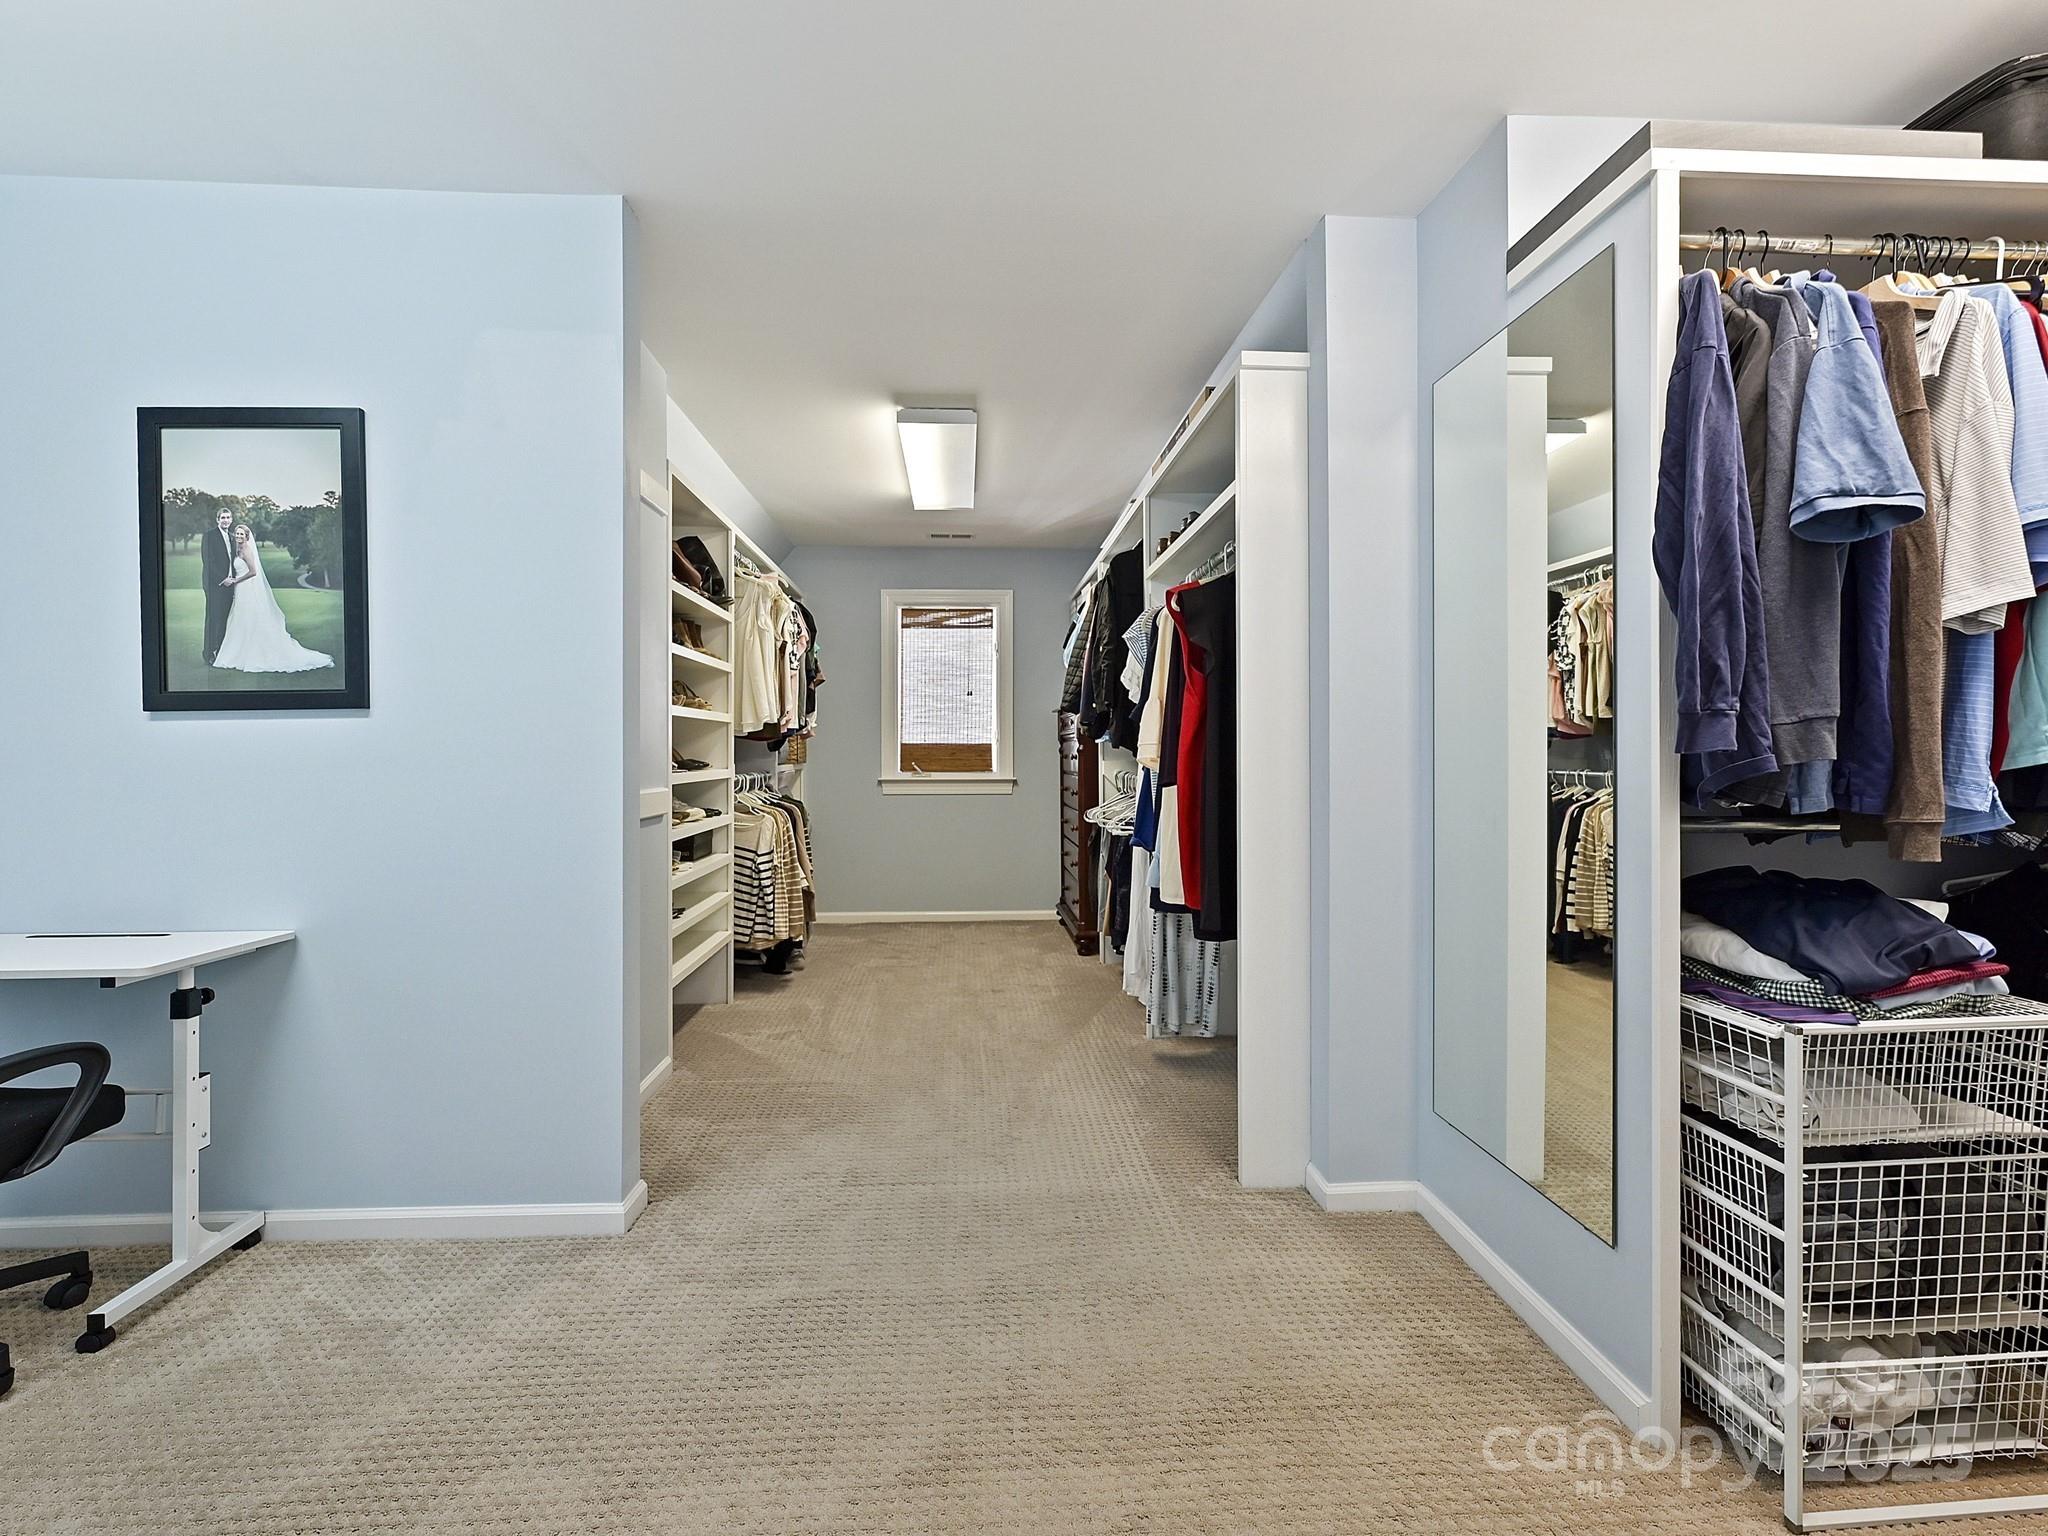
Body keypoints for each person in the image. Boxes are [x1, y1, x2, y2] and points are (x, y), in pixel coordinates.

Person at [213, 524, 334, 674]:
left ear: (247, 536)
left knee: (249, 618)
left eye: (241, 534)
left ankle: (252, 653)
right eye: (237, 534)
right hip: (240, 589)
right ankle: (238, 653)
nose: (238, 536)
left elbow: (253, 572)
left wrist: (236, 581)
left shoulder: (247, 550)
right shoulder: (238, 549)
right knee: (241, 618)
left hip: (247, 588)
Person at [198, 507, 238, 664]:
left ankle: (220, 651)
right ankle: (208, 653)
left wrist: (233, 580)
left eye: (228, 517)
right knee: (213, 618)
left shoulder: (232, 537)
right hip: (215, 585)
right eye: (223, 518)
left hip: (230, 586)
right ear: (218, 520)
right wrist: (223, 579)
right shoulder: (209, 536)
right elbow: (208, 562)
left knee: (224, 619)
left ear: (231, 520)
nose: (225, 520)